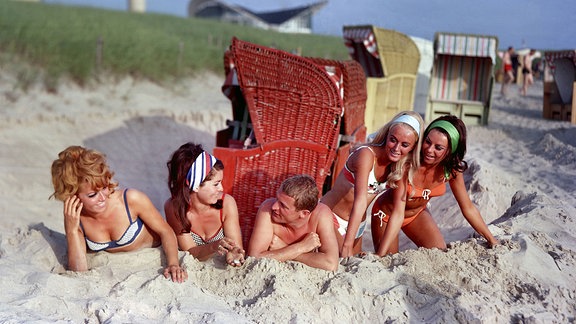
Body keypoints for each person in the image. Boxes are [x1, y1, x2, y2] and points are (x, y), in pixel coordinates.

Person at [50, 146, 187, 283]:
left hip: (157, 257)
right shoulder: (76, 220)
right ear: (71, 196)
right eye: (92, 195)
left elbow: (166, 231)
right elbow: (78, 272)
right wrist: (71, 230)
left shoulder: (130, 199)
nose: (103, 197)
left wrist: (173, 264)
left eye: (104, 187)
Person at [370, 115, 500, 256]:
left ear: (450, 151)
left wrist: (492, 240)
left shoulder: (451, 170)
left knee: (439, 253)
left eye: (438, 147)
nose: (429, 150)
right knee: (387, 258)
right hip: (387, 215)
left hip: (417, 214)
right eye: (427, 142)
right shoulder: (408, 164)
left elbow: (467, 207)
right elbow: (398, 213)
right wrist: (379, 256)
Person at [320, 111, 424, 258]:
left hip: (357, 225)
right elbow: (360, 200)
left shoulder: (400, 168)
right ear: (386, 135)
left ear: (413, 147)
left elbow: (398, 213)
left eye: (404, 145)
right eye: (393, 140)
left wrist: (380, 255)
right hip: (331, 216)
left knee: (354, 264)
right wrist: (347, 245)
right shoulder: (366, 155)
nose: (396, 148)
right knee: (339, 258)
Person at [164, 143, 245, 267]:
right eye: (216, 184)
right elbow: (190, 252)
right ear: (196, 185)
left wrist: (235, 252)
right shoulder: (174, 208)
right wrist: (213, 246)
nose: (221, 188)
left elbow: (236, 246)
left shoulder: (227, 203)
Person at [248, 175, 339, 271]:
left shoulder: (321, 215)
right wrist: (300, 247)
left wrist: (284, 248)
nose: (274, 207)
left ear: (304, 213)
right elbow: (254, 257)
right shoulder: (267, 209)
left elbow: (331, 264)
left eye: (283, 205)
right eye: (277, 199)